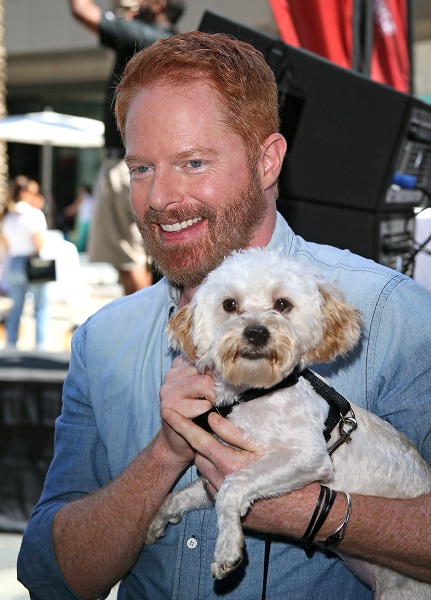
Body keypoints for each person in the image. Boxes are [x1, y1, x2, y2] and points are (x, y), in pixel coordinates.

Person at [17, 32, 431, 599]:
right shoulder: (103, 340)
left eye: (193, 162)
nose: (161, 197)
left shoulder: (390, 313)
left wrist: (313, 512)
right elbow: (52, 579)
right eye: (141, 168)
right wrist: (165, 453)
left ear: (267, 161)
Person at [69, 0, 186, 295]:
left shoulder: (143, 35)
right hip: (141, 163)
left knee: (130, 260)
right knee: (143, 261)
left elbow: (82, 10)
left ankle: (142, 339)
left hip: (125, 165)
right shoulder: (170, 42)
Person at [1, 176, 49, 349]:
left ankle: (11, 345)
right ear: (24, 192)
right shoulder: (35, 214)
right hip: (32, 261)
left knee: (16, 308)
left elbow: (5, 245)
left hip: (13, 263)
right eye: (33, 192)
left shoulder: (7, 217)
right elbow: (38, 243)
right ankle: (40, 347)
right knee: (40, 308)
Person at [64, 184, 95, 252]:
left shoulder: (83, 197)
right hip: (90, 221)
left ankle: (79, 251)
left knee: (80, 238)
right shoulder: (92, 198)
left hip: (83, 221)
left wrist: (67, 211)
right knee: (87, 237)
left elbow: (74, 207)